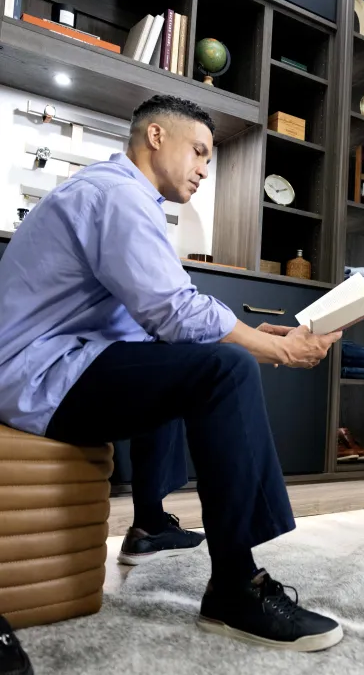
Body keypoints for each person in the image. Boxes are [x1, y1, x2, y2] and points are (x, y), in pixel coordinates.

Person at [0, 95, 344, 652]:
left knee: (180, 355)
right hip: (34, 373)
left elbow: (166, 322)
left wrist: (264, 338)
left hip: (58, 363)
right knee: (221, 368)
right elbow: (175, 310)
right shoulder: (116, 195)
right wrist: (274, 351)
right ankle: (236, 585)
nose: (205, 169)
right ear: (156, 137)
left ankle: (152, 523)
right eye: (200, 152)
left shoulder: (116, 194)